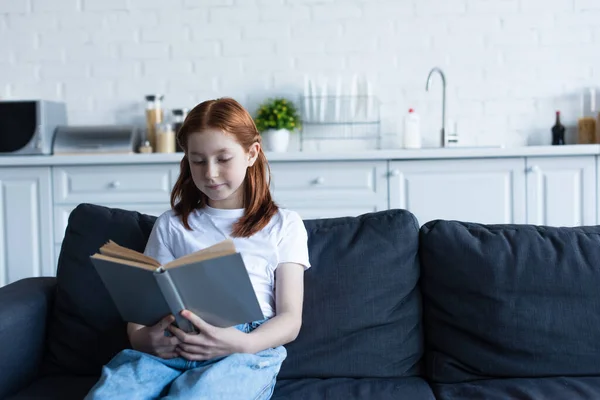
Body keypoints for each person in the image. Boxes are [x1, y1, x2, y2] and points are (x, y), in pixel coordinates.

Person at [85, 97, 311, 400]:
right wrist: (142, 339)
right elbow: (143, 302)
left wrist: (241, 344)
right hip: (175, 341)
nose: (210, 173)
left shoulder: (284, 225)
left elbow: (290, 319)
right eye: (198, 161)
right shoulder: (171, 225)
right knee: (110, 395)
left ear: (251, 153)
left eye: (223, 159)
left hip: (242, 348)